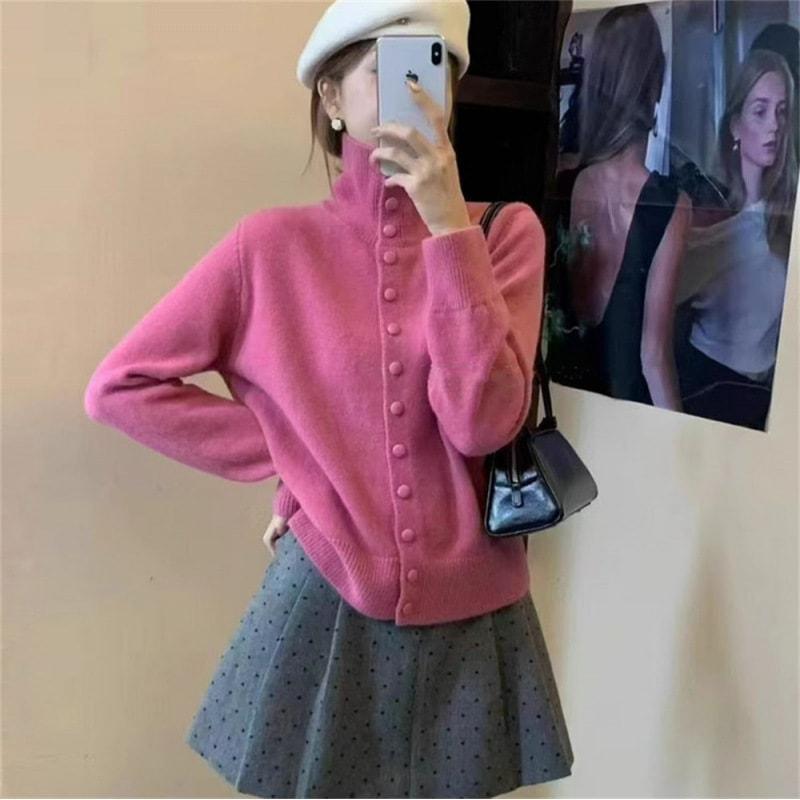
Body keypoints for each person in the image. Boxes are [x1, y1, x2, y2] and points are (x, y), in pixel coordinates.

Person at [83, 1, 574, 797]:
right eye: (385, 67)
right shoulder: (269, 247)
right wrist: (299, 458)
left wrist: (448, 228)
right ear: (332, 97)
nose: (414, 89)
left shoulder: (503, 235)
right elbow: (121, 387)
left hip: (478, 615)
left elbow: (481, 423)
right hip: (326, 597)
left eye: (434, 70)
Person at [547, 3, 691, 411]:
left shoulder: (560, 185)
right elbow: (653, 358)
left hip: (560, 408)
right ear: (656, 82)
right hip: (628, 416)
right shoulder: (671, 206)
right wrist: (686, 440)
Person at [675, 49, 796, 431]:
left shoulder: (785, 218)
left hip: (766, 397)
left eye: (781, 112)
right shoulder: (708, 214)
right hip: (706, 389)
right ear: (735, 125)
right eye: (760, 111)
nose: (774, 125)